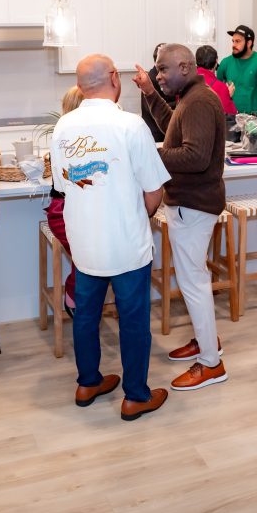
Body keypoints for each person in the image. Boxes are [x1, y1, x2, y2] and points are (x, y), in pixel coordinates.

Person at [51, 54, 171, 421]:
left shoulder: (63, 128)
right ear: (115, 78)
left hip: (84, 240)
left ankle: (88, 382)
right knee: (133, 319)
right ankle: (135, 395)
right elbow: (154, 190)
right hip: (125, 240)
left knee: (85, 315)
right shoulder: (131, 126)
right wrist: (142, 214)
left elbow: (64, 185)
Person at [133, 44, 228, 391]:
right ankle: (207, 341)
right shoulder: (191, 98)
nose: (159, 76)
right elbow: (171, 127)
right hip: (192, 203)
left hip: (194, 205)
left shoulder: (200, 101)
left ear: (185, 67)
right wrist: (148, 92)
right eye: (157, 71)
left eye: (162, 70)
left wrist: (148, 155)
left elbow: (195, 156)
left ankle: (210, 364)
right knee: (194, 281)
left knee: (194, 284)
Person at [43, 85, 85, 317]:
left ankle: (83, 300)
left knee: (95, 254)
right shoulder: (68, 138)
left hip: (77, 209)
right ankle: (73, 294)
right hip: (63, 211)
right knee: (88, 255)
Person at [216, 25, 257, 117]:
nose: (234, 45)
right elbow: (217, 91)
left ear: (249, 43)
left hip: (253, 119)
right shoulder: (225, 63)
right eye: (233, 41)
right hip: (229, 117)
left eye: (238, 41)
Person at [141, 42, 176, 142]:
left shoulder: (159, 76)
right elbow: (152, 107)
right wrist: (180, 103)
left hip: (162, 131)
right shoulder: (151, 79)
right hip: (157, 134)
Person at [195, 45, 236, 115]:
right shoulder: (221, 87)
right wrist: (229, 96)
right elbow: (230, 115)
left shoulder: (186, 80)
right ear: (216, 61)